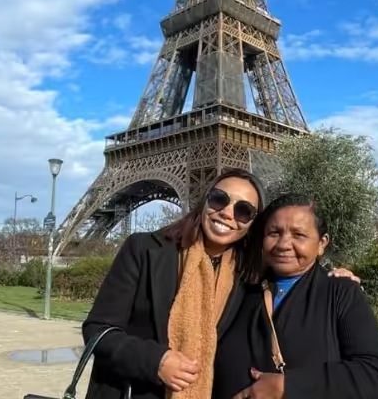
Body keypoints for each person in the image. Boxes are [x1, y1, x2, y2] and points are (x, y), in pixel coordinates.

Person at [82, 169, 360, 399]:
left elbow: (295, 266)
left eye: (243, 210)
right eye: (219, 200)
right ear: (205, 201)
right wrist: (155, 361)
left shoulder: (248, 275)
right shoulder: (145, 250)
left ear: (253, 223)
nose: (228, 213)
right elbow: (97, 331)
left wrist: (333, 276)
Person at [213, 193, 378, 399]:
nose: (283, 244)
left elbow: (376, 374)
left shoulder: (340, 292)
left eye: (299, 235)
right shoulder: (242, 287)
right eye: (274, 233)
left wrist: (287, 386)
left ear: (321, 243)